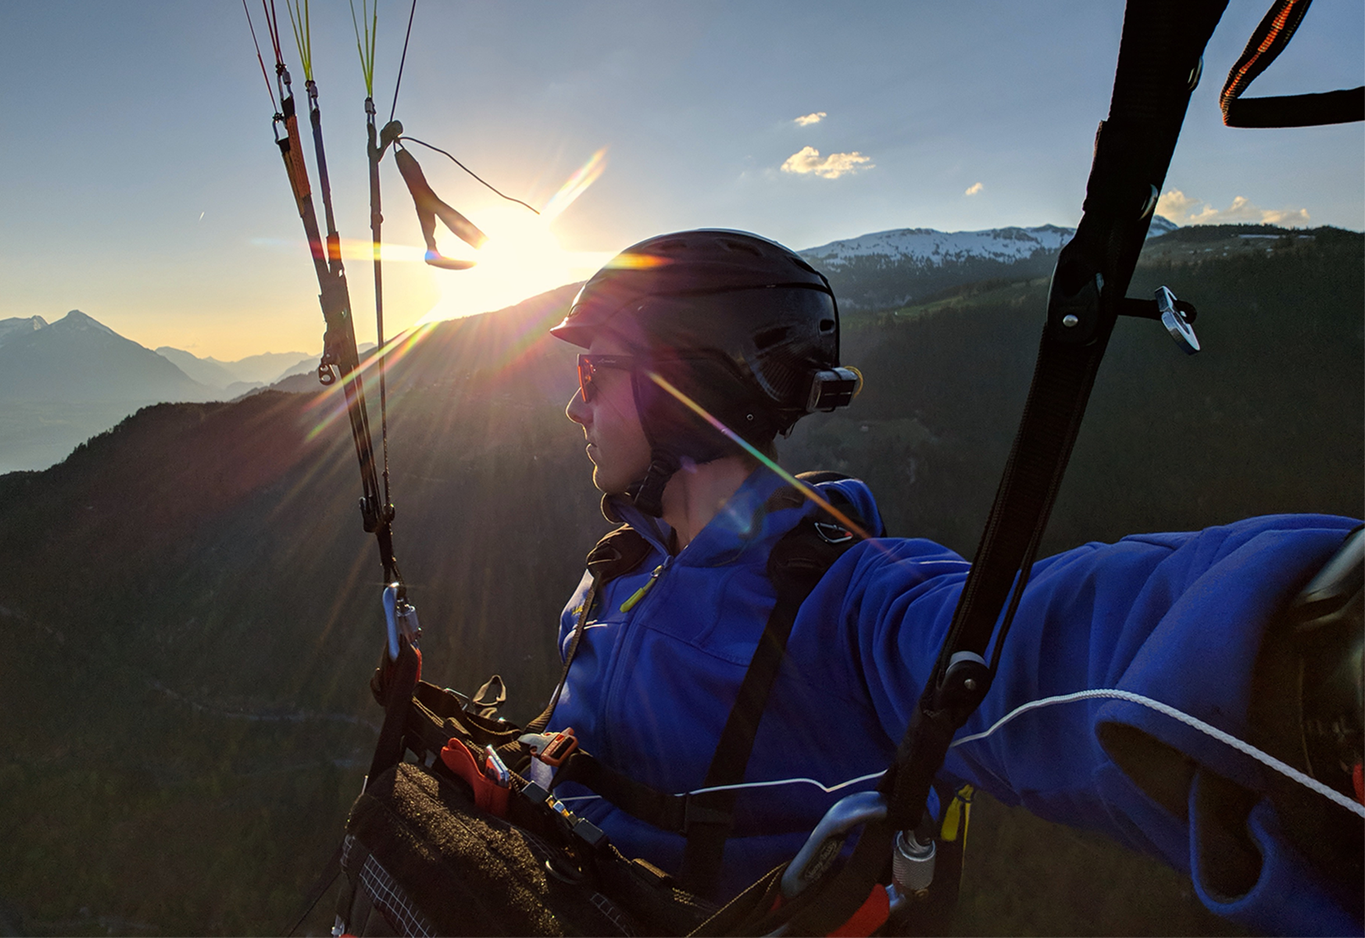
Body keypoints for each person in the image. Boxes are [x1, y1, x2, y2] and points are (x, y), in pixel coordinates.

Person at [539, 229, 1363, 935]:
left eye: (593, 375)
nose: (577, 409)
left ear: (684, 385)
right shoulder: (615, 572)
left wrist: (1310, 662)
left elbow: (1030, 645)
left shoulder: (845, 601)